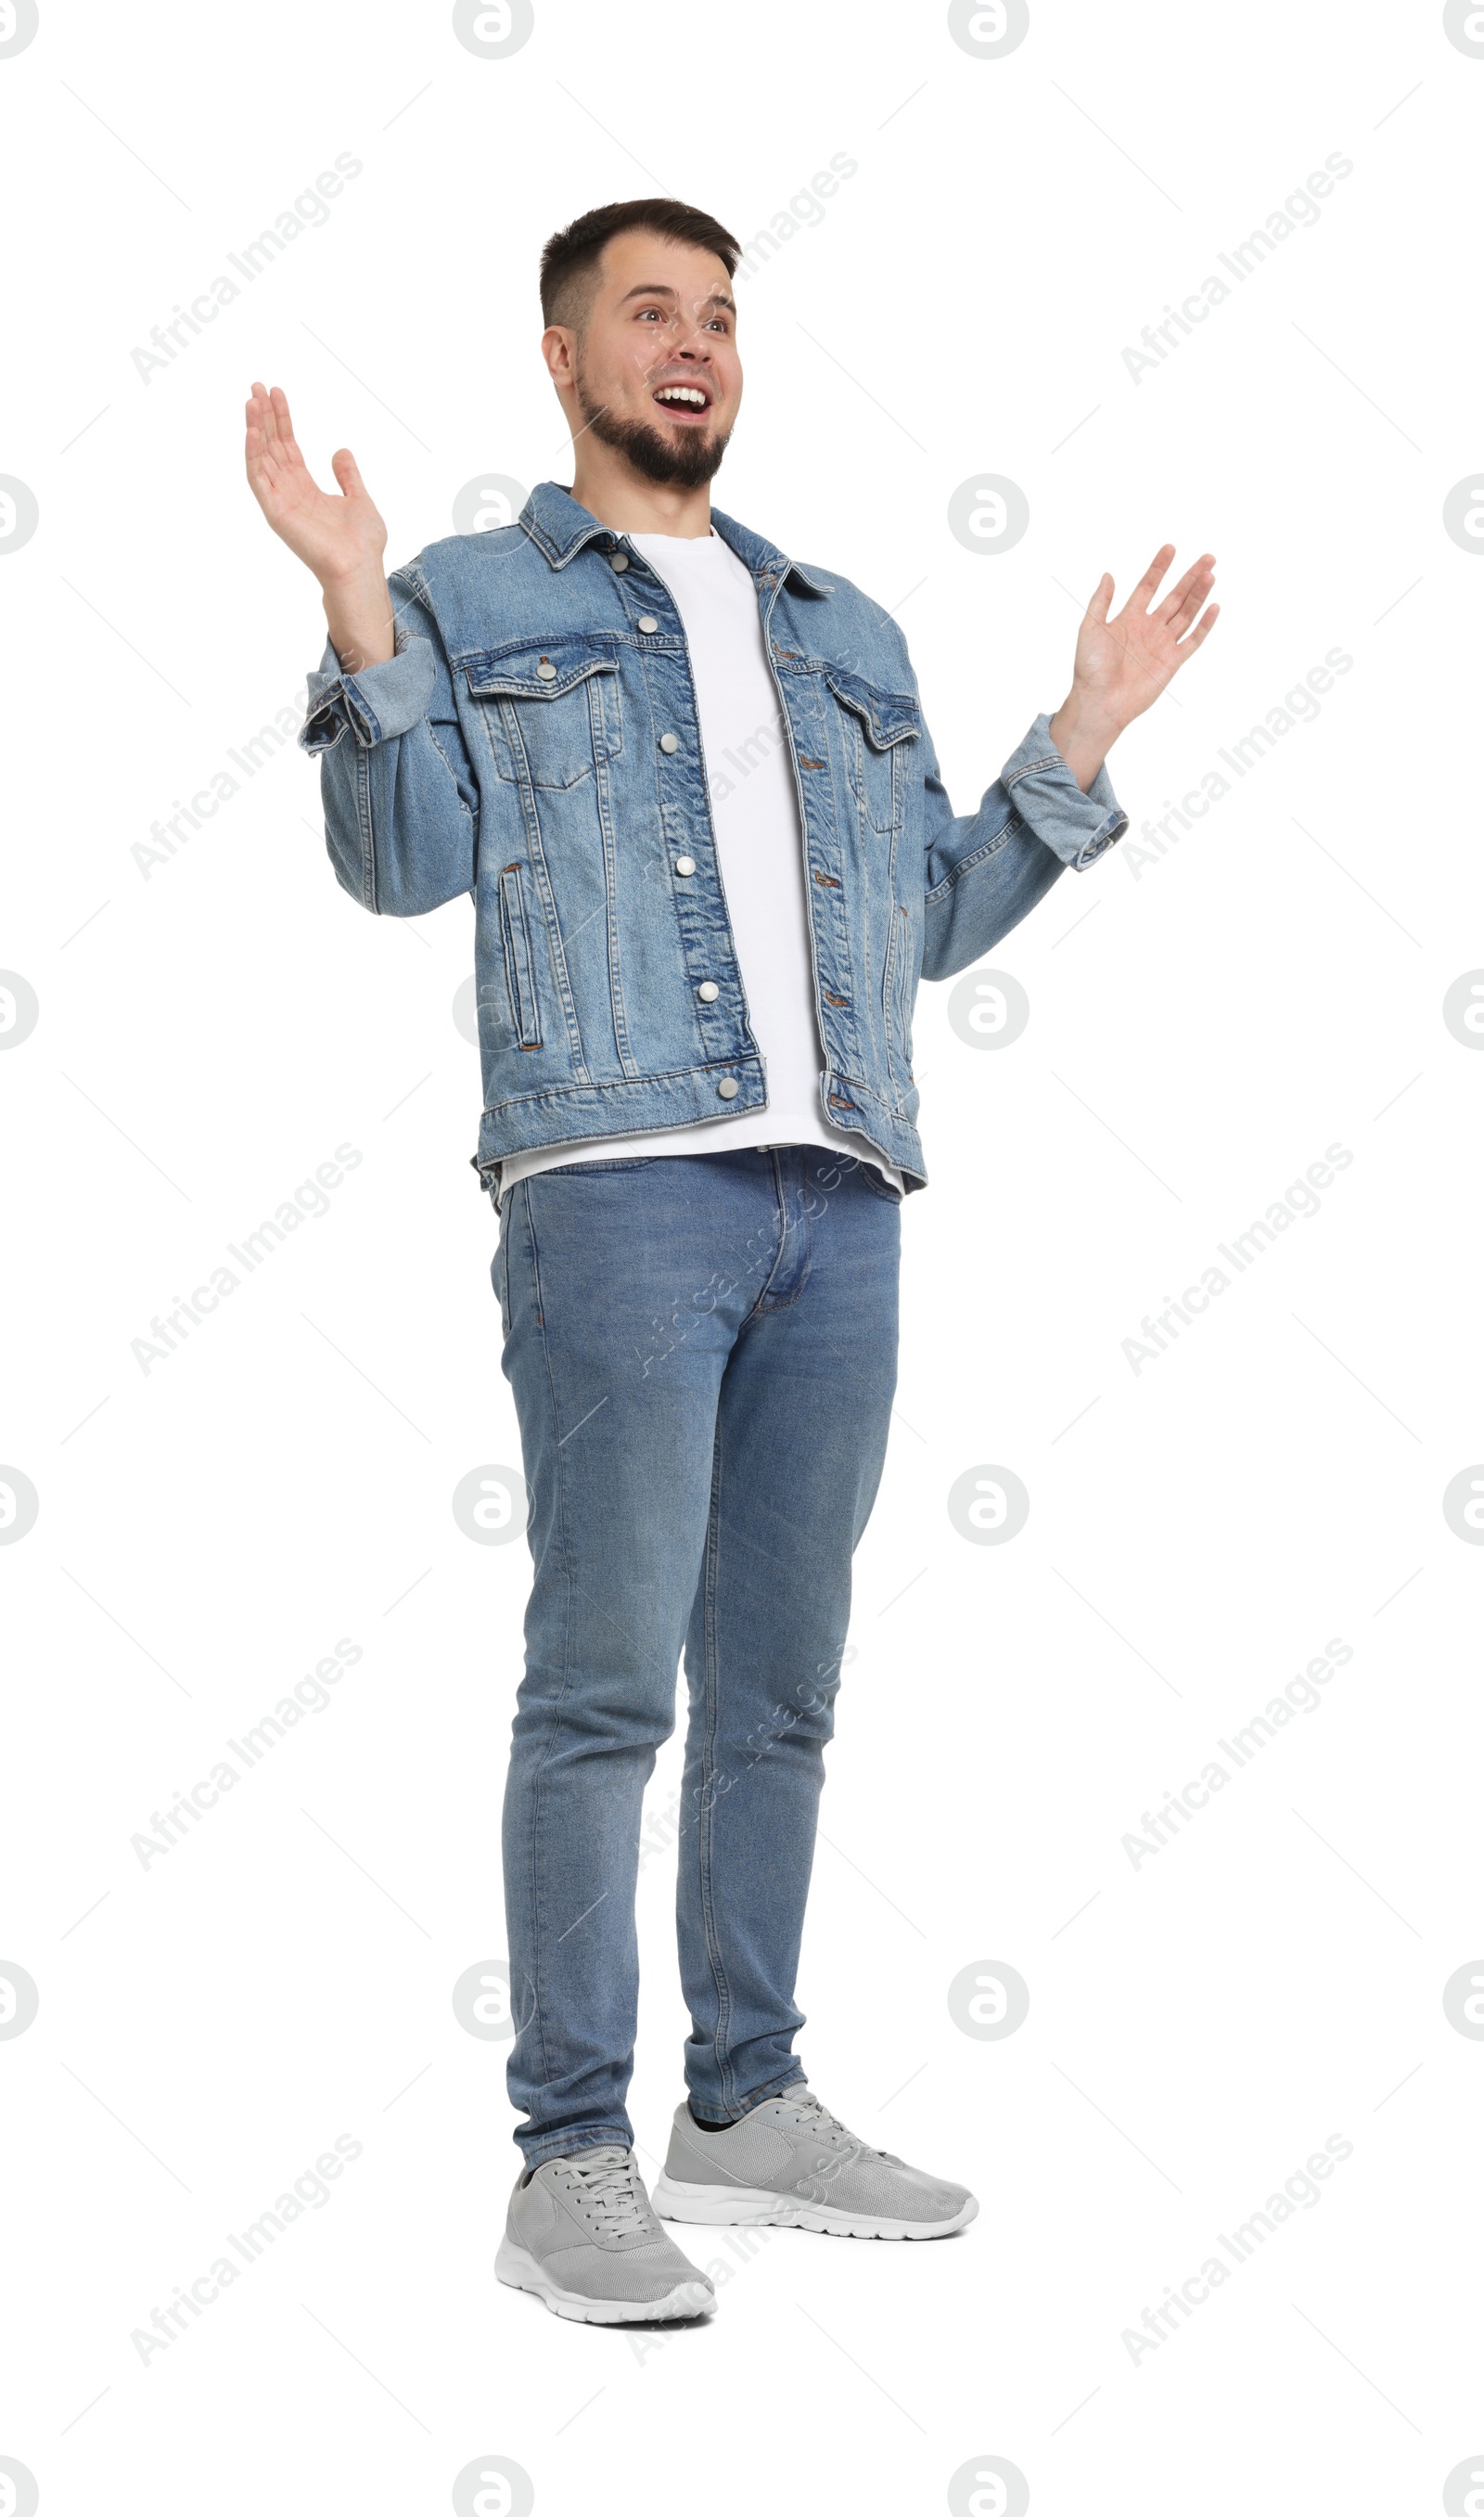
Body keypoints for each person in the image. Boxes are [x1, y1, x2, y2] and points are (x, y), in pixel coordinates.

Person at [245, 196, 1217, 2328]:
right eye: (646, 314)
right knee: (603, 1687)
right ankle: (567, 2154)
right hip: (614, 1194)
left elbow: (930, 924)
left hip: (839, 1200)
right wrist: (350, 615)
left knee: (776, 1693)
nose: (690, 344)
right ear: (564, 360)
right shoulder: (470, 594)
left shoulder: (840, 627)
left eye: (716, 317)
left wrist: (1072, 747)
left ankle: (745, 2101)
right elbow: (399, 866)